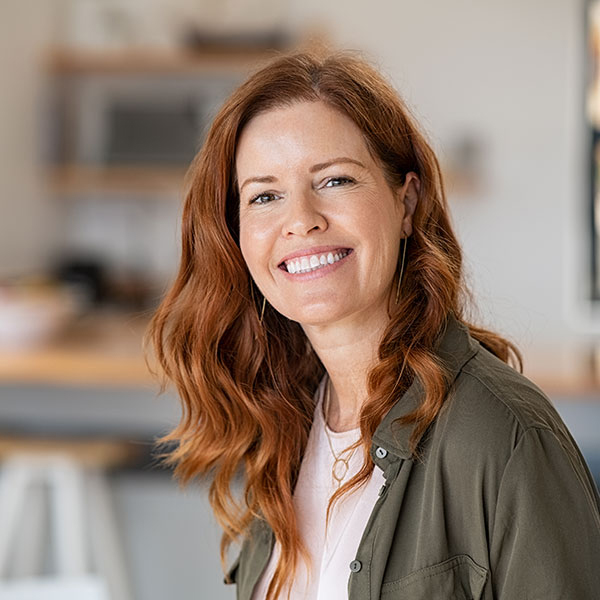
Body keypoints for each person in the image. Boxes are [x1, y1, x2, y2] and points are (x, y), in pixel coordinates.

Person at [148, 50, 600, 600]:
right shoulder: (282, 426)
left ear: (405, 202)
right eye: (264, 196)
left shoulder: (502, 438)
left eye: (335, 181)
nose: (301, 220)